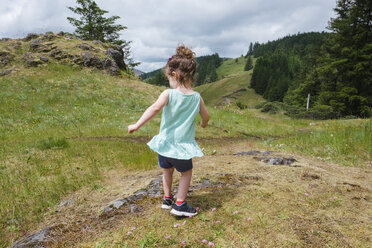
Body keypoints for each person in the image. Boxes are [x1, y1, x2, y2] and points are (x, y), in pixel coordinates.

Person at [128, 45, 209, 217]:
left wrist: (137, 125)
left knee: (167, 170)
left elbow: (154, 109)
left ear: (174, 75)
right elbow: (206, 116)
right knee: (186, 172)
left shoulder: (168, 94)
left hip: (164, 144)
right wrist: (203, 123)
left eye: (168, 78)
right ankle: (180, 204)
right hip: (181, 147)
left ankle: (167, 199)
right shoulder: (197, 97)